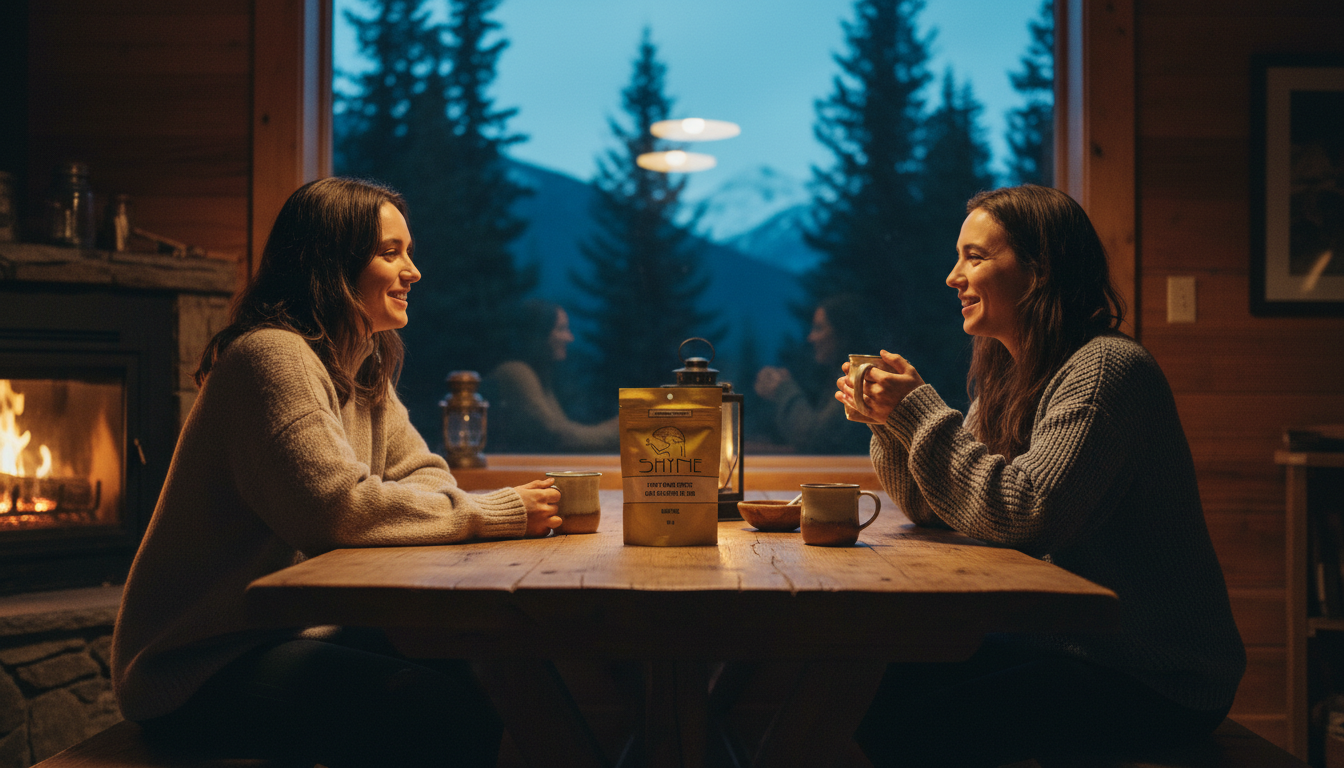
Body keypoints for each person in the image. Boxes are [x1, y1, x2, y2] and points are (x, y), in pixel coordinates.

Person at [111, 177, 563, 767]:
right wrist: (495, 513)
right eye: (391, 252)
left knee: (475, 664)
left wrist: (432, 507)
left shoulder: (362, 366)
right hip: (199, 666)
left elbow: (430, 477)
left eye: (410, 252)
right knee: (435, 710)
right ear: (331, 263)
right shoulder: (270, 356)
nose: (414, 272)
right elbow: (335, 511)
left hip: (295, 632)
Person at [838, 185, 1245, 766]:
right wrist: (889, 425)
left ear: (1039, 270)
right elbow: (944, 508)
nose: (954, 277)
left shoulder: (1107, 368)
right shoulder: (1009, 372)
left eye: (974, 257)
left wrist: (919, 412)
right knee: (883, 684)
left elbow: (1025, 513)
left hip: (1154, 674)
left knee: (914, 722)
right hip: (1066, 646)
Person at [481, 299, 618, 453]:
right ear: (537, 334)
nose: (569, 337)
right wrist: (622, 427)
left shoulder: (538, 375)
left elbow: (563, 430)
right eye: (561, 329)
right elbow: (558, 436)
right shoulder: (515, 373)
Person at [753, 293, 874, 454]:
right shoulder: (837, 377)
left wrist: (783, 389)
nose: (811, 338)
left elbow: (815, 438)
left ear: (843, 333)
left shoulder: (860, 380)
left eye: (819, 328)